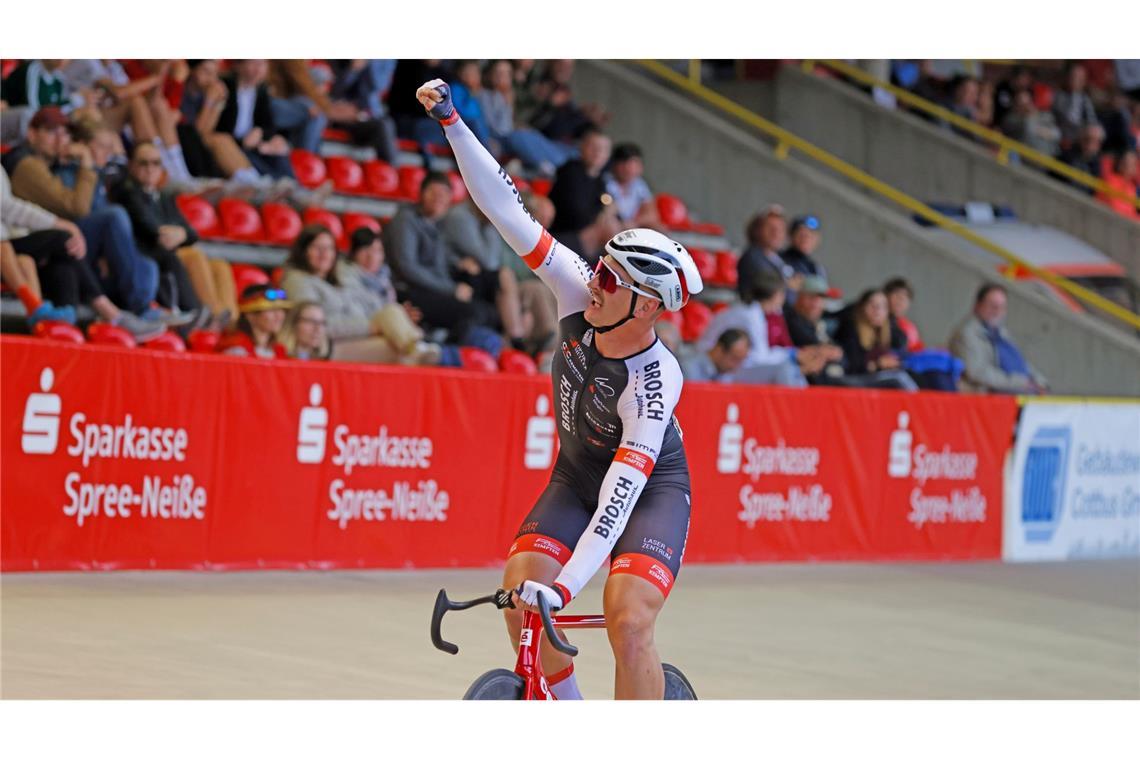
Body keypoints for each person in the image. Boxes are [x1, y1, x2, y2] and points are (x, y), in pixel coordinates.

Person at [418, 78, 704, 699]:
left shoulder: (656, 382)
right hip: (576, 477)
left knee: (627, 621)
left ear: (649, 307)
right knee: (521, 596)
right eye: (598, 267)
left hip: (648, 491)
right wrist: (453, 123)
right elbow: (505, 210)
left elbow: (617, 507)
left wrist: (568, 587)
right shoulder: (578, 289)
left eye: (611, 278)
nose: (594, 281)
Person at [2, 107, 161, 318]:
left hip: (42, 243)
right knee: (97, 225)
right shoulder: (26, 164)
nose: (61, 140)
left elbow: (90, 210)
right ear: (31, 134)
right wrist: (87, 164)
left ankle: (63, 323)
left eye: (65, 133)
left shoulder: (54, 163)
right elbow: (75, 209)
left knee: (149, 264)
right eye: (52, 132)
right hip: (24, 239)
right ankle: (131, 309)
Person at [1, 165, 164, 340]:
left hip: (13, 241)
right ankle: (110, 312)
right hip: (5, 244)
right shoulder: (27, 166)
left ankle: (61, 328)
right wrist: (59, 223)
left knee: (63, 264)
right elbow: (8, 208)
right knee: (65, 240)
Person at [282, 224, 441, 365]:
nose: (324, 254)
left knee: (392, 311)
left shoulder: (337, 279)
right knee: (397, 350)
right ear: (303, 251)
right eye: (317, 248)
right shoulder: (297, 281)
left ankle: (417, 347)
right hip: (325, 346)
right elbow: (314, 327)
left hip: (356, 337)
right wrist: (371, 327)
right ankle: (420, 349)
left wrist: (393, 318)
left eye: (329, 248)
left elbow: (366, 310)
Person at [116, 141, 228, 328]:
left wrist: (181, 234)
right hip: (143, 253)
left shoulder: (163, 197)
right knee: (193, 256)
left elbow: (192, 234)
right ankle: (209, 316)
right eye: (144, 163)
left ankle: (227, 321)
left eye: (156, 163)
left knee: (219, 265)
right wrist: (179, 234)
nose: (150, 168)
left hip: (165, 250)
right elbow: (151, 230)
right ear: (131, 166)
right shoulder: (128, 192)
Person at [383, 171, 499, 344]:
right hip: (409, 291)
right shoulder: (405, 220)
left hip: (433, 289)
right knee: (474, 312)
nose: (438, 198)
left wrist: (458, 262)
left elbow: (439, 257)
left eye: (444, 194)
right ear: (421, 194)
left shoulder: (438, 223)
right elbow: (407, 267)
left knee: (489, 302)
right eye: (433, 192)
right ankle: (447, 351)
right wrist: (450, 289)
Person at [697, 268, 819, 386]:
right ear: (775, 295)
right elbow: (760, 358)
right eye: (782, 294)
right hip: (713, 366)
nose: (783, 300)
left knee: (792, 371)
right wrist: (792, 355)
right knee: (785, 370)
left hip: (729, 365)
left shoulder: (752, 311)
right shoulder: (750, 315)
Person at [477, 59, 578, 176]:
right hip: (506, 138)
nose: (502, 78)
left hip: (525, 135)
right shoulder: (485, 95)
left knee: (569, 150)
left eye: (506, 74)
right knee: (521, 137)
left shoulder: (507, 95)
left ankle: (561, 163)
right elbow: (499, 128)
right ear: (490, 75)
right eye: (499, 74)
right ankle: (552, 166)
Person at [949, 283, 1048, 395]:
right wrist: (1021, 382)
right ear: (978, 305)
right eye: (992, 305)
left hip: (1016, 391)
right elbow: (977, 373)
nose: (997, 311)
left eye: (1002, 307)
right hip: (985, 398)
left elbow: (1020, 362)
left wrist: (1039, 381)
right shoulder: (966, 334)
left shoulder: (1000, 332)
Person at [547, 126, 619, 263]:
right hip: (558, 237)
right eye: (593, 147)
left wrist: (607, 212)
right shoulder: (571, 172)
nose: (598, 153)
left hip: (582, 239)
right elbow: (578, 216)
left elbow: (610, 204)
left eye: (603, 149)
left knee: (615, 225)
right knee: (609, 227)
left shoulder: (600, 179)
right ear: (582, 147)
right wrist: (603, 214)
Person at [216, 60, 294, 180]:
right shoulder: (225, 88)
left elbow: (268, 125)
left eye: (262, 65)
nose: (258, 70)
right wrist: (244, 142)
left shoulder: (261, 91)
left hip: (255, 144)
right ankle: (274, 187)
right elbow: (218, 128)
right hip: (233, 145)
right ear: (238, 66)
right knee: (254, 159)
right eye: (253, 64)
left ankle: (296, 188)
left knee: (278, 152)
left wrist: (260, 132)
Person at [833, 289, 917, 391]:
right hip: (853, 378)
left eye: (882, 306)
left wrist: (893, 363)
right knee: (899, 379)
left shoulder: (886, 332)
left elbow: (902, 349)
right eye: (872, 305)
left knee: (914, 376)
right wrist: (878, 364)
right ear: (862, 308)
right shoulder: (851, 330)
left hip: (876, 377)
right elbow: (852, 367)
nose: (877, 310)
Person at [736, 204, 793, 300]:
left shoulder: (779, 258)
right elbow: (766, 287)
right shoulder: (752, 257)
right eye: (770, 228)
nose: (776, 233)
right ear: (757, 230)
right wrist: (790, 284)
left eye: (780, 229)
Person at [219, 284, 290, 359]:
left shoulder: (279, 350)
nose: (279, 316)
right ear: (250, 315)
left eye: (281, 310)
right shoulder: (236, 350)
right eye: (272, 310)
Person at [604, 143, 661, 229]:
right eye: (623, 163)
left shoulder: (639, 184)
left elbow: (651, 215)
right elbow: (606, 214)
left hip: (629, 226)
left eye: (633, 164)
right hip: (610, 227)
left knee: (658, 228)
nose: (628, 168)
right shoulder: (605, 182)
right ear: (614, 165)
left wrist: (634, 222)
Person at [1053, 62, 1101, 147]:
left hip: (1081, 137)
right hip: (1062, 133)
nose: (1075, 80)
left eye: (1079, 78)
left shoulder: (1085, 99)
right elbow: (1069, 118)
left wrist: (1090, 129)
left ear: (1084, 81)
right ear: (1067, 77)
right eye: (1073, 77)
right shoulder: (1058, 95)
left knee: (1096, 133)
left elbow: (1092, 119)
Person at [681, 328, 751, 383]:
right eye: (734, 359)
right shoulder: (689, 368)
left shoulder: (726, 375)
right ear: (719, 350)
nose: (735, 367)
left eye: (741, 361)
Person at [780, 214, 825, 280]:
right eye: (802, 234)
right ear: (791, 236)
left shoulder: (815, 269)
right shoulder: (778, 259)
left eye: (811, 236)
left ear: (817, 240)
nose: (806, 239)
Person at [883, 277, 922, 351]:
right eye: (897, 294)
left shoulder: (909, 327)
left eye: (906, 296)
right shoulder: (876, 323)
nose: (901, 299)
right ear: (885, 297)